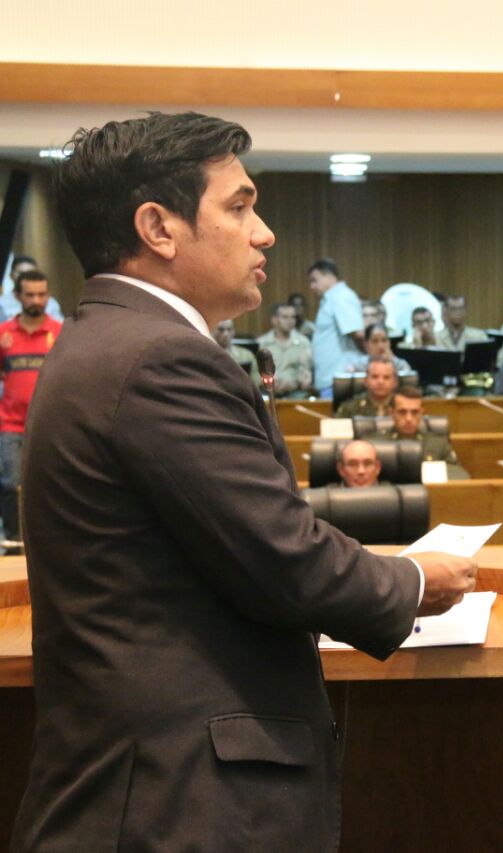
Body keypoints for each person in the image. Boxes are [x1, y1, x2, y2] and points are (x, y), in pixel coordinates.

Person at [14, 111, 475, 851]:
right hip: (181, 798)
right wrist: (416, 581)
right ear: (158, 228)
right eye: (239, 206)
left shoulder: (103, 340)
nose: (264, 233)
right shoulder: (160, 358)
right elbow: (280, 555)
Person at [0, 269, 62, 542]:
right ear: (17, 296)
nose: (37, 300)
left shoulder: (59, 334)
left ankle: (48, 542)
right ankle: (14, 542)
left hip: (48, 424)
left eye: (42, 294)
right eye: (30, 295)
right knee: (11, 484)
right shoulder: (3, 335)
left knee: (50, 484)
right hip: (10, 424)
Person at [370, 386, 467, 478]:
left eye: (415, 412)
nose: (409, 418)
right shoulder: (375, 444)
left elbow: (459, 475)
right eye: (402, 412)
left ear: (421, 413)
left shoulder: (438, 443)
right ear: (391, 413)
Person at [308, 257, 364, 398]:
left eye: (314, 280)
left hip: (340, 379)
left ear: (329, 276)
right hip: (331, 379)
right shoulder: (331, 298)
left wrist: (370, 359)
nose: (311, 286)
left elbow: (358, 334)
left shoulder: (341, 296)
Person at [256, 301, 313, 398]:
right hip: (269, 392)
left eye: (293, 317)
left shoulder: (303, 342)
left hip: (296, 393)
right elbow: (256, 373)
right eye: (285, 317)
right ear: (274, 320)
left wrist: (297, 383)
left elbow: (306, 371)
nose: (290, 321)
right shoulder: (262, 343)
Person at [4, 255, 65, 321]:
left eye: (30, 274)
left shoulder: (50, 303)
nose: (26, 278)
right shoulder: (2, 304)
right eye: (21, 273)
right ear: (11, 276)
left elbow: (60, 328)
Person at [346, 322, 411, 373]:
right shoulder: (358, 366)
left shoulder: (401, 365)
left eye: (384, 340)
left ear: (389, 342)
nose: (380, 345)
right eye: (375, 341)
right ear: (366, 344)